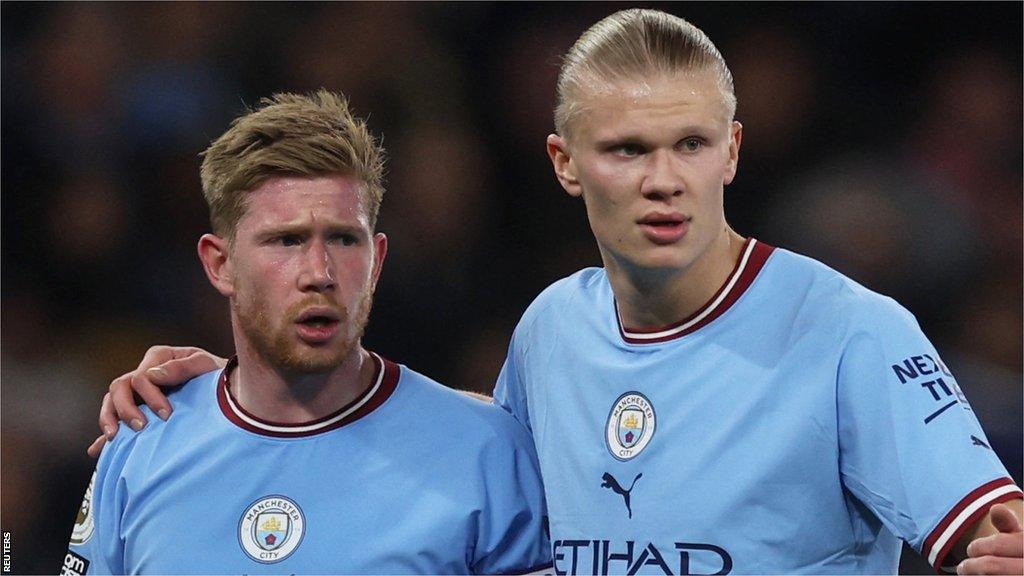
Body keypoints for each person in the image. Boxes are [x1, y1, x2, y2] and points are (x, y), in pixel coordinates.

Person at [89, 10, 1022, 576]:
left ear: (732, 151)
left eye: (691, 145)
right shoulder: (551, 331)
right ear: (566, 164)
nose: (665, 180)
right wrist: (247, 390)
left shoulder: (851, 333)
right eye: (627, 150)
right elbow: (464, 439)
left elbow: (996, 528)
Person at [64, 90, 551, 575]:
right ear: (220, 264)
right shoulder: (141, 447)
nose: (319, 271)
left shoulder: (486, 453)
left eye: (343, 238)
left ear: (377, 261)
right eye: (287, 240)